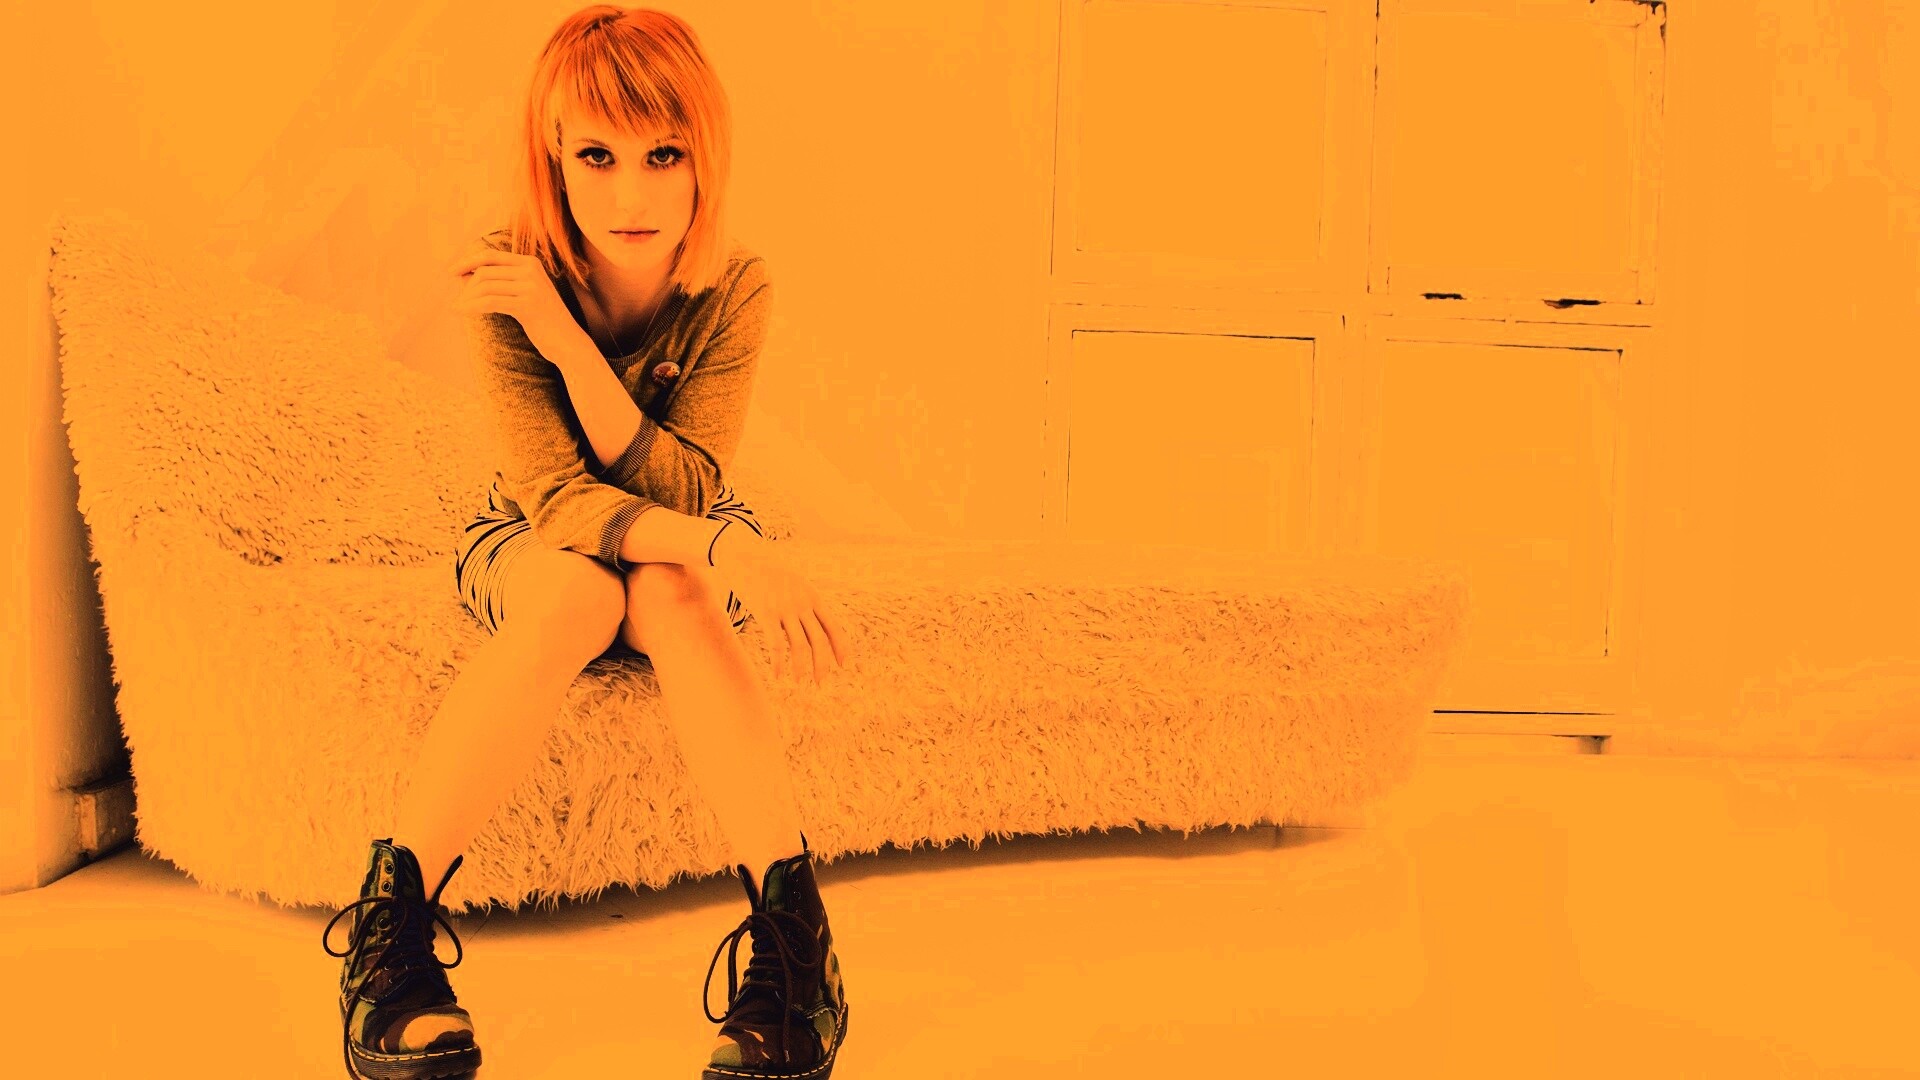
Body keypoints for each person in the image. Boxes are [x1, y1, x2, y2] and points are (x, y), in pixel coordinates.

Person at [319, 7, 853, 1079]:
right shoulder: (508, 275)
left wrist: (580, 362)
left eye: (665, 154)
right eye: (597, 156)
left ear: (705, 156)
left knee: (667, 591)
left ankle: (797, 949)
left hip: (684, 528)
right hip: (528, 524)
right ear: (553, 158)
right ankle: (390, 934)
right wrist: (558, 336)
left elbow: (686, 489)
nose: (631, 196)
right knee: (577, 594)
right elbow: (556, 498)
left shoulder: (736, 284)